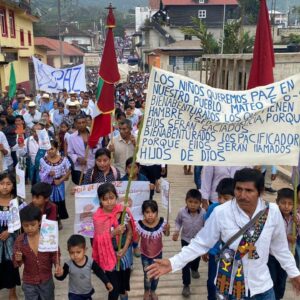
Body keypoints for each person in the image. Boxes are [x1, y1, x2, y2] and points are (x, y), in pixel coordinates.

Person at [147, 168, 300, 300]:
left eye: (249, 190)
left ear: (260, 192)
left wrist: (294, 273)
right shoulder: (221, 212)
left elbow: (280, 248)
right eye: (238, 189)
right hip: (229, 286)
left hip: (262, 288)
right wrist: (173, 263)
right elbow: (201, 243)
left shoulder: (272, 212)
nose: (242, 195)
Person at [92, 183, 135, 300]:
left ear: (116, 197)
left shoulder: (123, 211)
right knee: (113, 288)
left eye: (112, 198)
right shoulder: (98, 217)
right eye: (105, 199)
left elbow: (130, 232)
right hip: (108, 256)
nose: (109, 202)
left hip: (124, 255)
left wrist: (124, 249)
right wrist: (113, 233)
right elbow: (98, 240)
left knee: (123, 287)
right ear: (100, 200)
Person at [13, 205, 60, 300]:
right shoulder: (20, 240)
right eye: (26, 225)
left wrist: (58, 265)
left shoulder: (48, 236)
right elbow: (16, 262)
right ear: (21, 224)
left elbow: (55, 253)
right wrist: (18, 259)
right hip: (29, 282)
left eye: (33, 224)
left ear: (39, 222)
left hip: (46, 281)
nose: (29, 228)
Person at [204, 178, 235, 300]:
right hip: (215, 253)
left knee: (229, 283)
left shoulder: (240, 213)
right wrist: (205, 250)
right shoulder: (213, 209)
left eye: (226, 198)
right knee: (212, 281)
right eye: (219, 197)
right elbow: (207, 231)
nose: (221, 201)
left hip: (233, 256)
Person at [55, 234, 113, 299]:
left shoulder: (90, 262)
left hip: (87, 293)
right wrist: (59, 275)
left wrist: (107, 282)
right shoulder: (68, 265)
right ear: (68, 251)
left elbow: (99, 272)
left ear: (85, 250)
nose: (75, 255)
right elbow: (62, 277)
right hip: (74, 294)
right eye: (72, 252)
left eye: (78, 252)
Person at [267, 188, 300, 300]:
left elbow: (297, 236)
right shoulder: (272, 216)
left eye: (290, 204)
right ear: (277, 202)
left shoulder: (295, 217)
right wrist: (287, 237)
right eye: (283, 203)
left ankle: (278, 297)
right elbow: (271, 235)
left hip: (287, 254)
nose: (286, 206)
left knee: (281, 281)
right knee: (272, 279)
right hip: (271, 255)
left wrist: (298, 224)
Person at [172, 189, 205, 297]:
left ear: (200, 203)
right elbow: (178, 222)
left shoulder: (204, 213)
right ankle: (186, 284)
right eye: (190, 202)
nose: (192, 205)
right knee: (185, 262)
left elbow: (207, 226)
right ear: (186, 201)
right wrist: (176, 230)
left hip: (198, 241)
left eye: (196, 202)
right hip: (185, 239)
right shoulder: (182, 212)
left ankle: (194, 268)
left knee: (196, 258)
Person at [136, 200, 170, 300]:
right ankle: (147, 290)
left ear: (157, 213)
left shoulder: (161, 222)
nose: (150, 215)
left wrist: (167, 229)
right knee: (147, 274)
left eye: (153, 212)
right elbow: (136, 239)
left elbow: (167, 234)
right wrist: (135, 248)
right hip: (145, 254)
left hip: (158, 254)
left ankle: (153, 290)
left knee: (156, 273)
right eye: (147, 212)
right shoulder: (140, 225)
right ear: (143, 213)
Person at [0, 173, 26, 300]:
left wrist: (9, 231)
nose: (5, 187)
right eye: (2, 183)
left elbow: (24, 220)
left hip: (12, 240)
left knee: (11, 265)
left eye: (8, 184)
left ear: (13, 186)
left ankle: (12, 292)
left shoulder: (18, 202)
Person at [39, 140, 71, 229]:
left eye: (52, 149)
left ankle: (58, 219)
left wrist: (61, 180)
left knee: (59, 203)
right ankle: (49, 221)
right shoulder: (43, 160)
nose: (50, 151)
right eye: (48, 149)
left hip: (59, 185)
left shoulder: (63, 160)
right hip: (48, 186)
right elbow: (40, 174)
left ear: (56, 149)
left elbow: (68, 171)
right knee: (48, 203)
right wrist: (48, 174)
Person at [68, 115, 101, 185]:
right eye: (79, 123)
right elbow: (70, 152)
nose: (81, 125)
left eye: (83, 122)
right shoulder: (71, 137)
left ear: (86, 123)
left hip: (93, 166)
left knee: (94, 187)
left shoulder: (93, 134)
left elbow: (99, 147)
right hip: (80, 168)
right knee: (82, 189)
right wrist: (77, 159)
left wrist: (94, 147)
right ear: (75, 124)